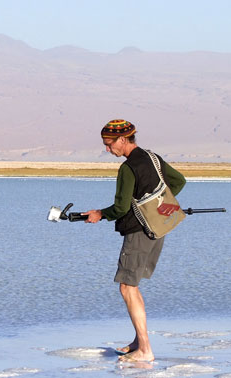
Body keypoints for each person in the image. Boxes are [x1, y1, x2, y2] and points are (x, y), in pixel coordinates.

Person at [83, 119, 186, 363]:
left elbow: (119, 208)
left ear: (122, 139)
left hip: (139, 232)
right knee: (133, 286)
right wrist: (160, 204)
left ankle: (145, 350)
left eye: (109, 144)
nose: (107, 149)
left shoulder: (127, 168)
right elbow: (179, 181)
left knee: (127, 287)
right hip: (157, 229)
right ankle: (139, 342)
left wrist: (100, 214)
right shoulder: (152, 157)